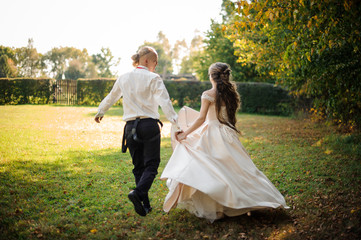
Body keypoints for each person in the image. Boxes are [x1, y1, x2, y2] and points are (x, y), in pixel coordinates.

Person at [161, 62, 289, 222]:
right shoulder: (231, 94)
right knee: (235, 168)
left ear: (211, 76)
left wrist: (185, 134)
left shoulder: (208, 94)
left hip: (211, 133)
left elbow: (201, 118)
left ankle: (220, 205)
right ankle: (239, 200)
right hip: (227, 133)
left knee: (212, 168)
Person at [95, 46, 179, 217]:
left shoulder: (124, 77)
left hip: (130, 128)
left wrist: (100, 111)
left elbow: (112, 96)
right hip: (149, 126)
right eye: (155, 62)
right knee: (152, 165)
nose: (155, 66)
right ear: (146, 60)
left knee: (138, 167)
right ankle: (138, 194)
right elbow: (165, 101)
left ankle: (145, 205)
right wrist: (176, 122)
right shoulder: (153, 77)